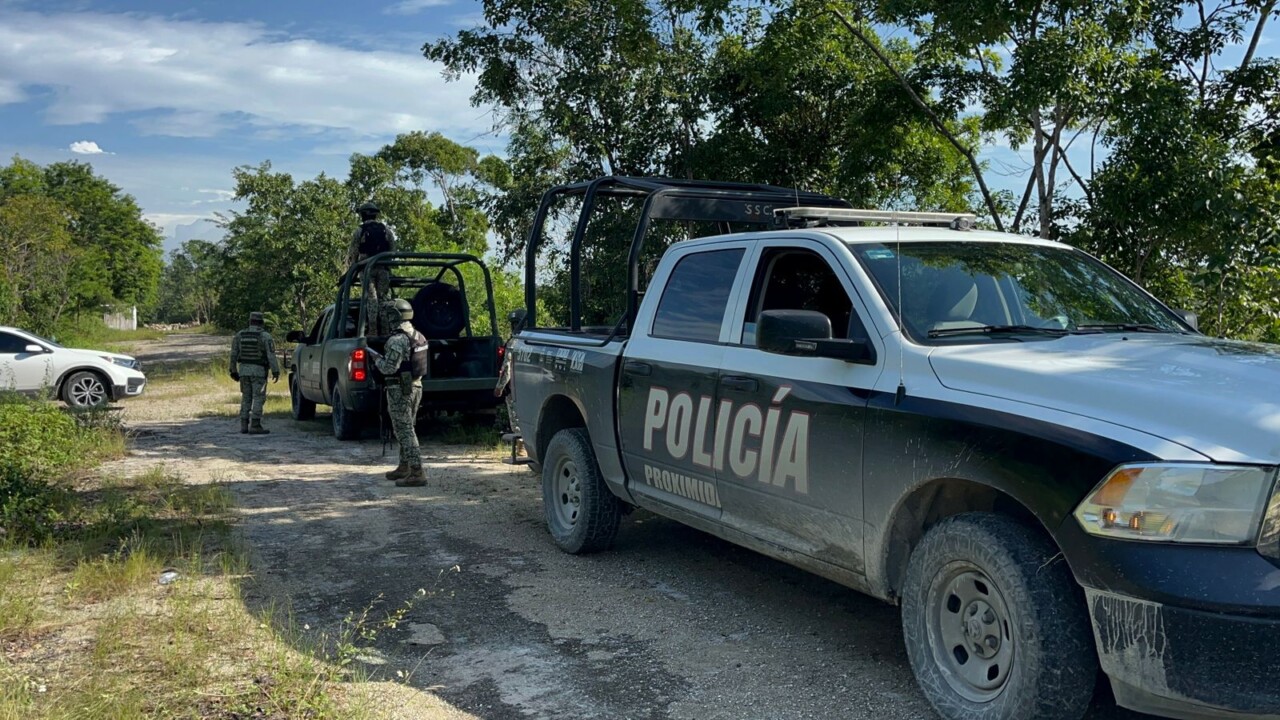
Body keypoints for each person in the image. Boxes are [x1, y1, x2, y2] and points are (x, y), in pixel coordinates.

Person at [368, 300, 429, 487]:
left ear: (395, 316)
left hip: (399, 390)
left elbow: (388, 368)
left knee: (404, 430)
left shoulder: (396, 340)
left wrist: (376, 358)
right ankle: (404, 467)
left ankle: (417, 471)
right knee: (408, 427)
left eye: (388, 314)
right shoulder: (418, 336)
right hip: (415, 386)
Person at [346, 201, 397, 335]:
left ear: (363, 215)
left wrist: (353, 269)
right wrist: (387, 263)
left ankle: (373, 330)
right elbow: (392, 249)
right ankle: (385, 330)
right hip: (383, 268)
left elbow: (353, 252)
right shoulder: (386, 229)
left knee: (371, 299)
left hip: (366, 268)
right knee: (383, 299)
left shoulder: (360, 230)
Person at [229, 311, 280, 434]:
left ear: (250, 321)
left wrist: (233, 370)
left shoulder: (240, 335)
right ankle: (255, 425)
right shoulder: (265, 336)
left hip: (244, 372)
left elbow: (233, 354)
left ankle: (244, 424)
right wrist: (275, 371)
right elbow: (271, 356)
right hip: (258, 372)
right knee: (258, 397)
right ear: (262, 322)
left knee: (246, 397)